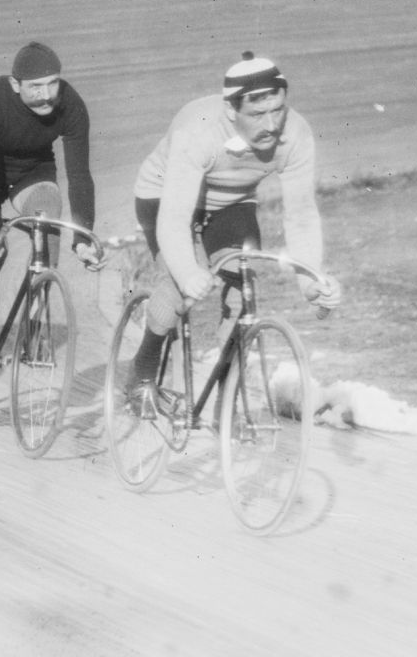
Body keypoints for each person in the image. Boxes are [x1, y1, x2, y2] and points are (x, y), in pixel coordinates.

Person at [123, 53, 343, 401]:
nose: (271, 125)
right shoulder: (198, 132)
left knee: (244, 290)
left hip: (232, 201)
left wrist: (310, 281)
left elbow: (301, 215)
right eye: (257, 114)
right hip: (165, 199)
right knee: (181, 287)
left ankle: (224, 402)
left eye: (278, 110)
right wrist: (186, 271)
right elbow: (175, 219)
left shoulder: (296, 134)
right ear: (231, 111)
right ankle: (143, 368)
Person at [0, 42, 97, 351]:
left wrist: (83, 237)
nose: (46, 94)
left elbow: (80, 175)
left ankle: (35, 322)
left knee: (48, 227)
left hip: (32, 171)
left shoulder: (71, 104)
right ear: (15, 85)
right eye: (35, 86)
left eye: (53, 83)